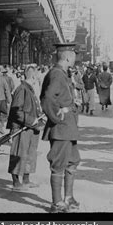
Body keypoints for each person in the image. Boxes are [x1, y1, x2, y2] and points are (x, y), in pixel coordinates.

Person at [40, 43, 81, 213]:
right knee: (58, 164)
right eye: (74, 55)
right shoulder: (57, 74)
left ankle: (68, 197)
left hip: (68, 128)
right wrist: (57, 116)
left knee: (72, 161)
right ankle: (56, 203)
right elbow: (47, 98)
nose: (75, 58)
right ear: (67, 57)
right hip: (61, 128)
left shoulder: (63, 74)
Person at [7, 64, 43, 192]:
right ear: (32, 76)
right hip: (22, 128)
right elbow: (16, 111)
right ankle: (16, 183)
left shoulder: (29, 89)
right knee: (18, 154)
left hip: (30, 128)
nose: (38, 77)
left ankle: (26, 181)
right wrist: (31, 120)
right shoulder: (22, 89)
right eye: (36, 75)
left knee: (29, 155)